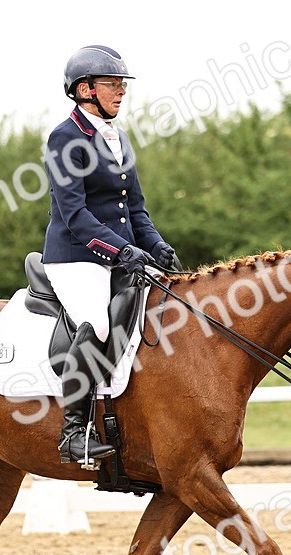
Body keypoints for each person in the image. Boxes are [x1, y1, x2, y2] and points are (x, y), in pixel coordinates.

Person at [42, 44, 179, 467]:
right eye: (112, 84)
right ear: (84, 89)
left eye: (123, 85)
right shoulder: (65, 138)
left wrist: (156, 245)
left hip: (120, 255)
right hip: (75, 257)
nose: (121, 91)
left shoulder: (118, 137)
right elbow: (76, 215)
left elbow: (134, 209)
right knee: (97, 322)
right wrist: (123, 250)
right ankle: (74, 433)